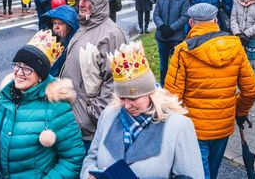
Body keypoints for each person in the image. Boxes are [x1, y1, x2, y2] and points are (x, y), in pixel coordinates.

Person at [81, 41, 204, 179]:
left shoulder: (178, 125)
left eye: (133, 98)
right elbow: (91, 159)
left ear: (150, 93)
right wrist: (88, 175)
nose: (127, 105)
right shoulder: (109, 114)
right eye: (122, 98)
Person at [165, 3, 255, 179]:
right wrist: (239, 111)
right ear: (215, 21)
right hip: (223, 126)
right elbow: (251, 90)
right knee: (212, 172)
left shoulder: (183, 51)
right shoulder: (236, 47)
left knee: (198, 173)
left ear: (191, 23)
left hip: (193, 129)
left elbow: (172, 97)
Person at [0, 30, 85, 179]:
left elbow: (73, 158)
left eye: (27, 69)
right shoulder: (5, 98)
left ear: (40, 76)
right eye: (17, 65)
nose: (19, 72)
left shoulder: (56, 107)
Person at [60, 0, 128, 149]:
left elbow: (115, 82)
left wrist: (92, 114)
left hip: (89, 128)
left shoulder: (111, 34)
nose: (81, 3)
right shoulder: (85, 26)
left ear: (98, 3)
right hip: (73, 119)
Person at [153, 0, 190, 85]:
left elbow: (184, 16)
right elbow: (156, 15)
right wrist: (162, 26)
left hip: (176, 37)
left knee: (176, 64)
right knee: (163, 64)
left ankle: (175, 84)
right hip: (162, 36)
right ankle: (163, 84)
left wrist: (172, 28)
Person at [41, 5, 79, 77]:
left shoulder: (75, 45)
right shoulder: (49, 42)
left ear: (70, 26)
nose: (56, 27)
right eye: (55, 23)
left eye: (61, 23)